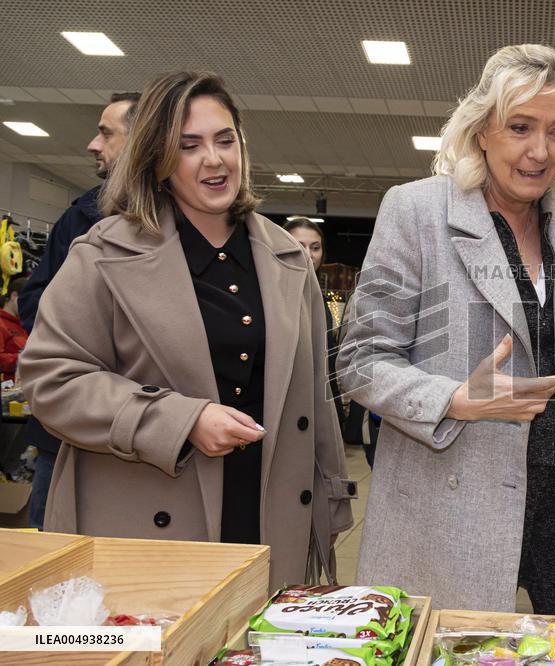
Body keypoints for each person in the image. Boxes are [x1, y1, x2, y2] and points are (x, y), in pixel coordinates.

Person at [336, 45, 555, 637]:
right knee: (460, 642)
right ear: (480, 131)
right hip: (460, 489)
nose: (539, 151)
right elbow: (360, 360)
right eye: (519, 127)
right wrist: (452, 398)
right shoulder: (416, 210)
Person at [19, 72, 353, 588]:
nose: (214, 159)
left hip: (268, 510)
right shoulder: (104, 252)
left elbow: (315, 398)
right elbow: (49, 380)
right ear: (157, 158)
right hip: (150, 512)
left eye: (225, 140)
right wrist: (180, 421)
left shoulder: (287, 258)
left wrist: (328, 511)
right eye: (189, 146)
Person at [18, 92, 141, 529]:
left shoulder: (192, 224)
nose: (93, 144)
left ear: (143, 138)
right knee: (59, 567)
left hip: (161, 440)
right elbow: (35, 304)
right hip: (74, 434)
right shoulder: (84, 217)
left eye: (106, 133)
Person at [283, 216, 349, 436]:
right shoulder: (269, 296)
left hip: (320, 407)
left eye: (315, 247)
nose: (308, 254)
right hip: (284, 412)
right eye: (298, 245)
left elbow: (327, 363)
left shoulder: (318, 299)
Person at [0, 277, 28, 379]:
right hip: (8, 390)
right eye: (25, 301)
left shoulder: (22, 324)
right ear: (14, 296)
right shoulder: (1, 323)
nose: (27, 306)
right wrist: (23, 358)